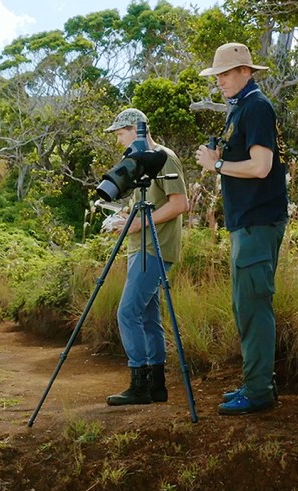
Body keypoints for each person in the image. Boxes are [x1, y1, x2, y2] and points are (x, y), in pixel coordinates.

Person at [195, 42, 288, 416]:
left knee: (253, 307)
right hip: (246, 223)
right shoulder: (240, 108)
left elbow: (261, 166)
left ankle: (258, 391)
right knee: (245, 306)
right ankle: (257, 382)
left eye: (227, 73)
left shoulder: (257, 107)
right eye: (217, 74)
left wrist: (216, 166)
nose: (220, 80)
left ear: (246, 72)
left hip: (256, 223)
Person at [102, 108, 189, 406]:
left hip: (156, 248)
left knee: (126, 313)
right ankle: (156, 386)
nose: (119, 142)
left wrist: (140, 223)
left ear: (137, 130)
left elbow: (180, 204)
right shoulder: (138, 163)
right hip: (139, 248)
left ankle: (139, 382)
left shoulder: (164, 157)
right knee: (149, 316)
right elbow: (147, 204)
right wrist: (123, 219)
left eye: (120, 134)